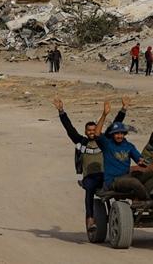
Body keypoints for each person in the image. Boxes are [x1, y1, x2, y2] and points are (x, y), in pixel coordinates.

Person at [53, 96, 126, 237]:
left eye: (94, 130)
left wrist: (123, 109)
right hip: (90, 177)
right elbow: (69, 128)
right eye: (90, 131)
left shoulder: (104, 142)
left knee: (121, 186)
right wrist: (61, 111)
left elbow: (116, 125)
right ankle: (90, 220)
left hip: (106, 175)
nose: (92, 132)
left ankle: (123, 213)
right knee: (89, 192)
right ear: (86, 132)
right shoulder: (80, 142)